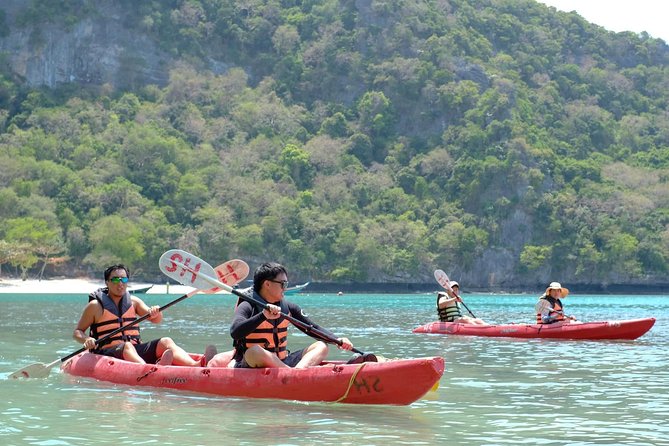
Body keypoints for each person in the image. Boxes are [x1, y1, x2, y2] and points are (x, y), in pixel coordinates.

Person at [73, 264, 217, 366]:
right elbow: (77, 332)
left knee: (165, 341)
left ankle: (196, 366)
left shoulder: (134, 302)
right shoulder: (95, 306)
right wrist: (87, 339)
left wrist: (154, 312)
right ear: (107, 282)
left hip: (133, 350)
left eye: (123, 279)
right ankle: (149, 370)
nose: (120, 284)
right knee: (127, 346)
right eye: (115, 279)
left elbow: (157, 320)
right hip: (107, 352)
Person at [229, 262, 354, 369]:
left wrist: (337, 340)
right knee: (254, 351)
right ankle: (291, 373)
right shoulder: (247, 305)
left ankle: (297, 372)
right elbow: (235, 332)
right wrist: (263, 316)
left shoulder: (288, 307)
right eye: (283, 284)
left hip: (283, 362)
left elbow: (312, 327)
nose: (285, 288)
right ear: (267, 284)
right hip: (251, 364)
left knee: (321, 346)